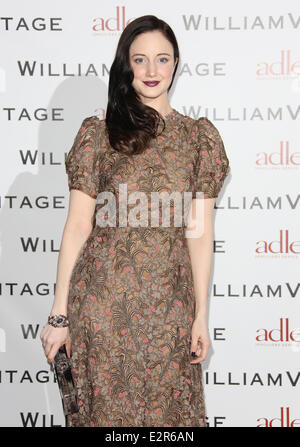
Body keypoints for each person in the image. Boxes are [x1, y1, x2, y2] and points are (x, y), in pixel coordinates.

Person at [40, 15, 230, 427]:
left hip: (171, 311)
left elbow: (199, 234)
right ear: (126, 65)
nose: (151, 71)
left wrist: (200, 315)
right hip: (102, 309)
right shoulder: (99, 133)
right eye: (140, 59)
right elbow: (77, 226)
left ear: (176, 64)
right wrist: (59, 314)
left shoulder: (199, 139)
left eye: (162, 59)